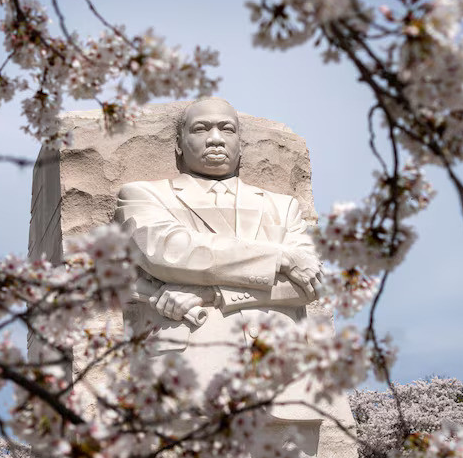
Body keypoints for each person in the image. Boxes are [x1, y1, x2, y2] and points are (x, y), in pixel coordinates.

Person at [114, 97, 323, 420]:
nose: (215, 138)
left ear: (241, 142)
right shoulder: (144, 195)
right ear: (179, 144)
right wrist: (279, 256)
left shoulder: (283, 207)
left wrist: (208, 293)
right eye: (201, 129)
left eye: (226, 129)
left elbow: (305, 286)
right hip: (186, 368)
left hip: (280, 373)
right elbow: (171, 252)